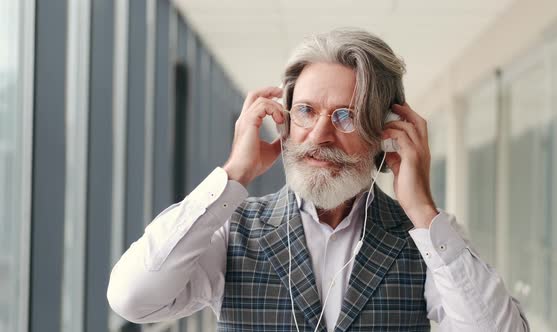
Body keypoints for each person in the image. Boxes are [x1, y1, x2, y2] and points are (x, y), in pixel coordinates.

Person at [107, 28, 530, 331]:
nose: (320, 135)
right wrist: (234, 174)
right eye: (306, 111)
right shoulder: (233, 230)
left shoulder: (424, 240)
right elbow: (133, 299)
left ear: (386, 130)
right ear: (285, 121)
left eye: (346, 116)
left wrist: (421, 210)